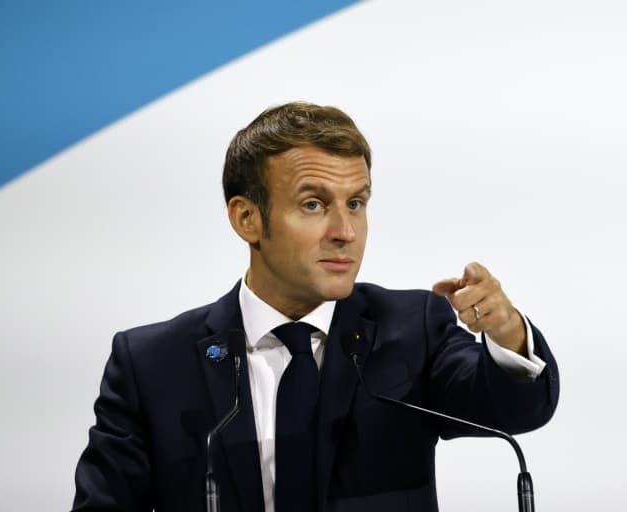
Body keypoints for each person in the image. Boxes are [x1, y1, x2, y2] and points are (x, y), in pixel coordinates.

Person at [72, 102, 559, 512]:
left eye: (356, 203)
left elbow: (513, 410)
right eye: (313, 204)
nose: (345, 231)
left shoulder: (413, 329)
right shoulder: (152, 363)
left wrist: (506, 332)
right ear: (247, 218)